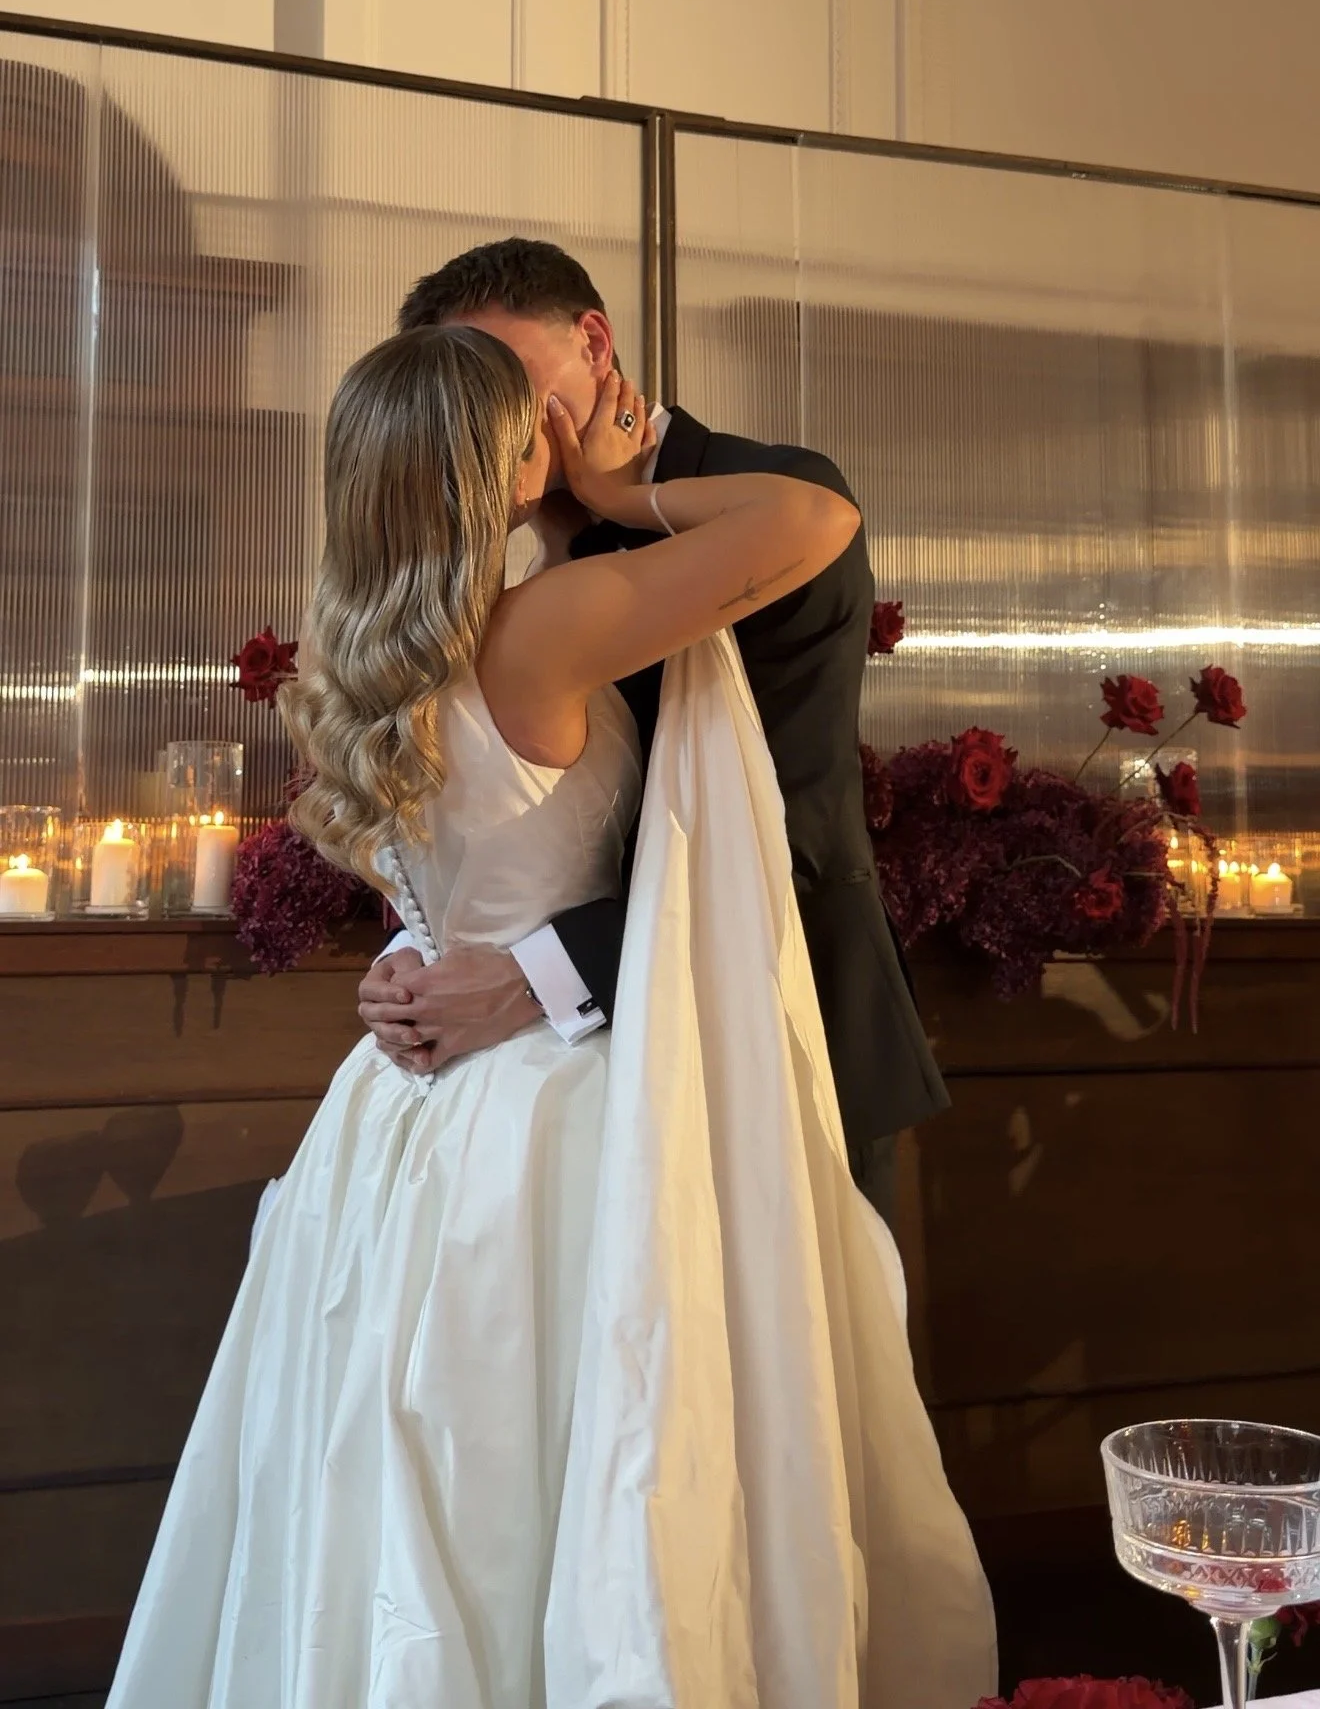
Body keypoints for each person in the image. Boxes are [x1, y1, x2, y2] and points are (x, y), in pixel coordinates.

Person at [106, 323, 994, 1707]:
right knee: (581, 1461)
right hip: (555, 1110)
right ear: (504, 468)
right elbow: (811, 517)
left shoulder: (340, 672)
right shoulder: (545, 629)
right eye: (540, 428)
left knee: (413, 1465)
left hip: (400, 1118)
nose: (564, 438)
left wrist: (411, 954)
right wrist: (627, 492)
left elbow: (439, 873)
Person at [357, 239, 949, 1218]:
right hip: (550, 1086)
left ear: (594, 341)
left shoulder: (770, 489)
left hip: (772, 1019)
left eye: (502, 378)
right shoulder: (484, 531)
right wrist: (417, 949)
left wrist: (536, 976)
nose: (484, 415)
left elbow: (782, 829)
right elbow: (473, 785)